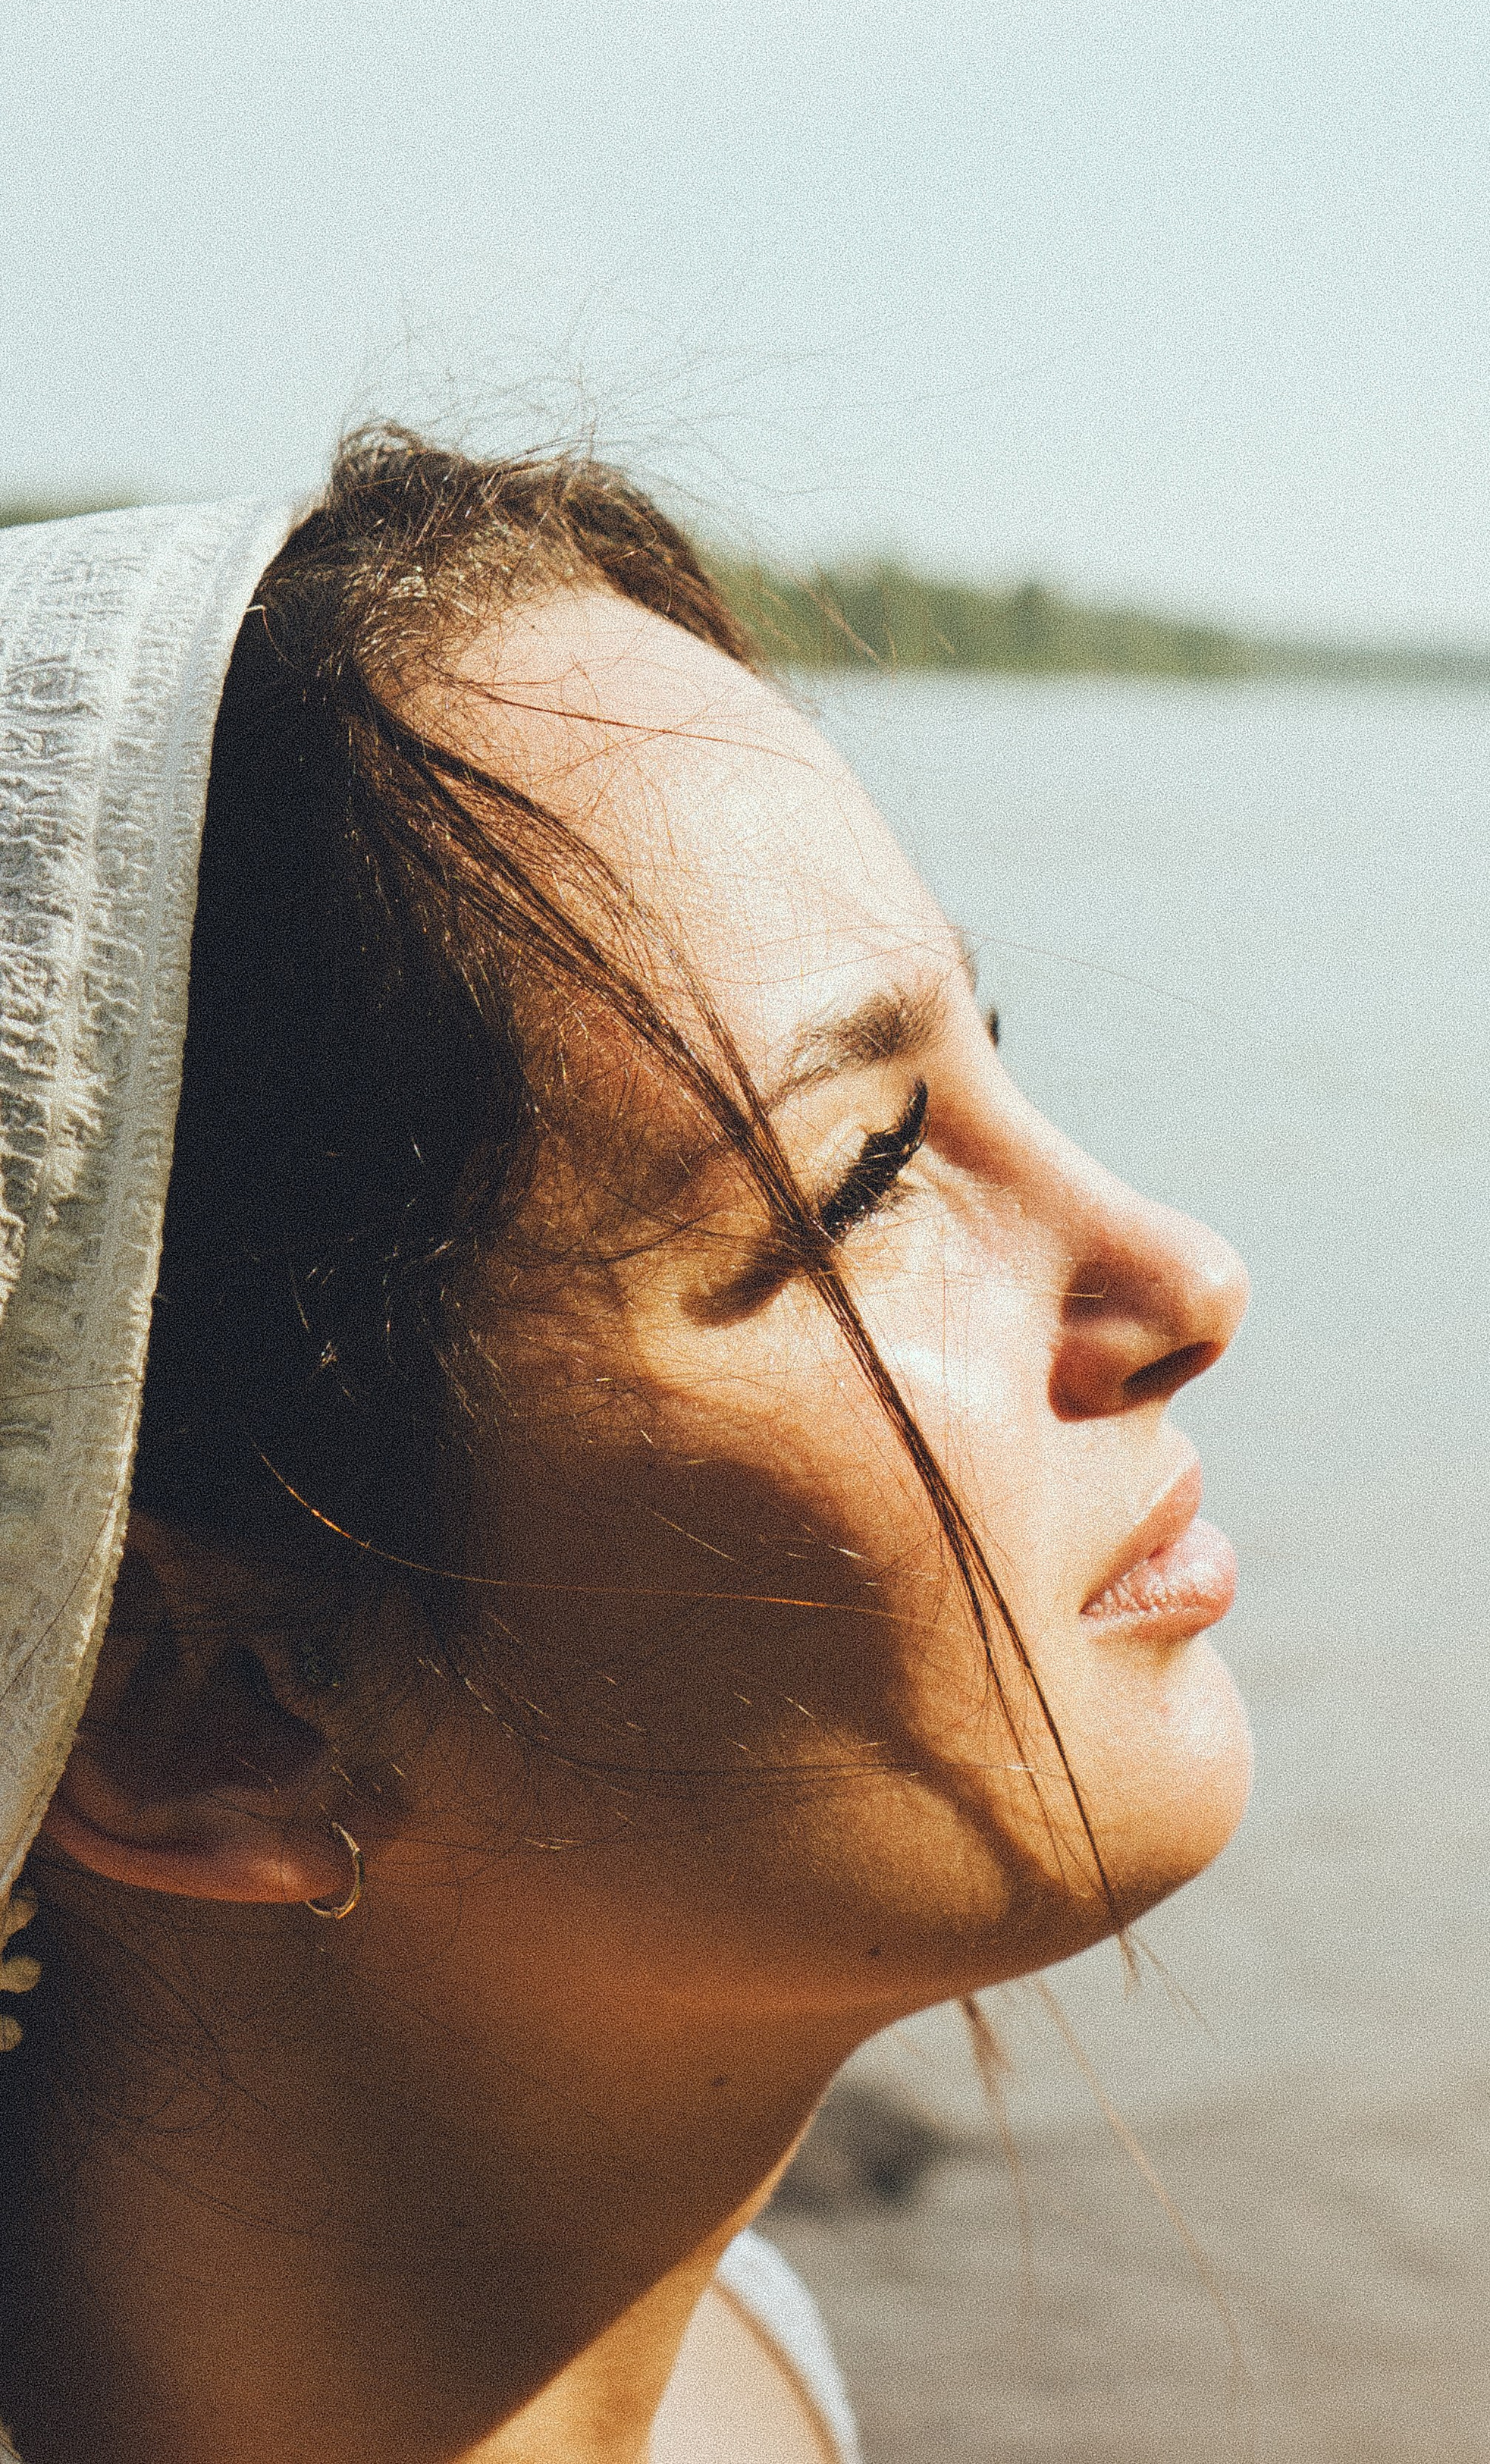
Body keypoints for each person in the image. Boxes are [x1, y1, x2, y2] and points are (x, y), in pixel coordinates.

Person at [0, 433, 1252, 2464]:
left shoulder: (746, 2370)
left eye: (988, 1065)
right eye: (864, 1177)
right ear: (200, 1703)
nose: (1190, 1277)